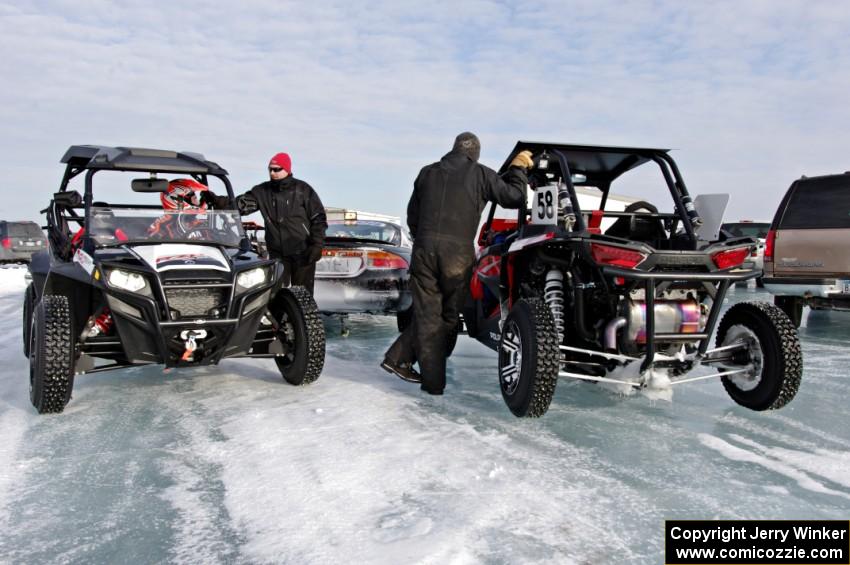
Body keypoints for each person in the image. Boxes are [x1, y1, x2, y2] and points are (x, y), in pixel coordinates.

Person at [381, 132, 534, 395]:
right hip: (457, 255)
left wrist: (425, 241)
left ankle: (402, 361)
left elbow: (412, 216)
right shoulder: (482, 174)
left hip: (424, 249)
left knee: (429, 316)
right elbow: (515, 197)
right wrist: (518, 169)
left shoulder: (426, 173)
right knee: (447, 318)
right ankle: (425, 380)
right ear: (474, 153)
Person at [204, 152, 327, 293]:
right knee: (275, 294)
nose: (272, 173)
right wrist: (217, 200)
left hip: (303, 251)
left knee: (303, 294)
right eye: (270, 169)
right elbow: (241, 205)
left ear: (287, 169)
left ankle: (304, 315)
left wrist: (317, 245)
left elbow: (318, 218)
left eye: (277, 169)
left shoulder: (303, 190)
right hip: (277, 253)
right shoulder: (262, 191)